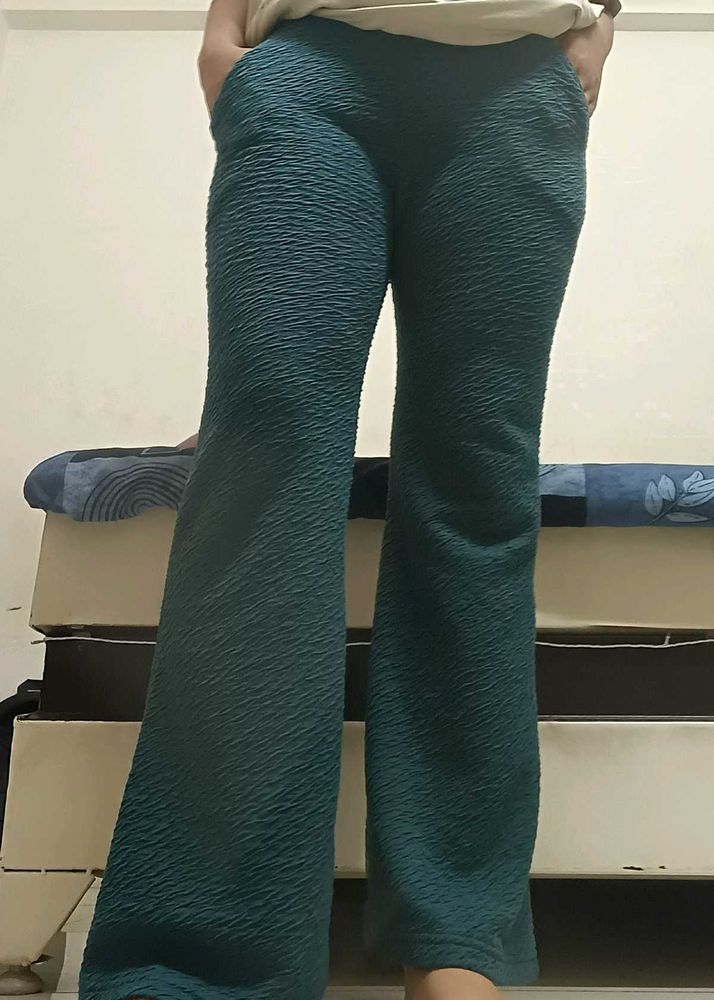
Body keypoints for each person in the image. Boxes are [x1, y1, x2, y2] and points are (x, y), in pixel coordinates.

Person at [79, 0, 617, 998]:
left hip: (517, 74)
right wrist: (225, 31)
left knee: (477, 484)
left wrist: (603, 18)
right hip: (311, 69)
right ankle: (203, 957)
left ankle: (457, 933)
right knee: (263, 466)